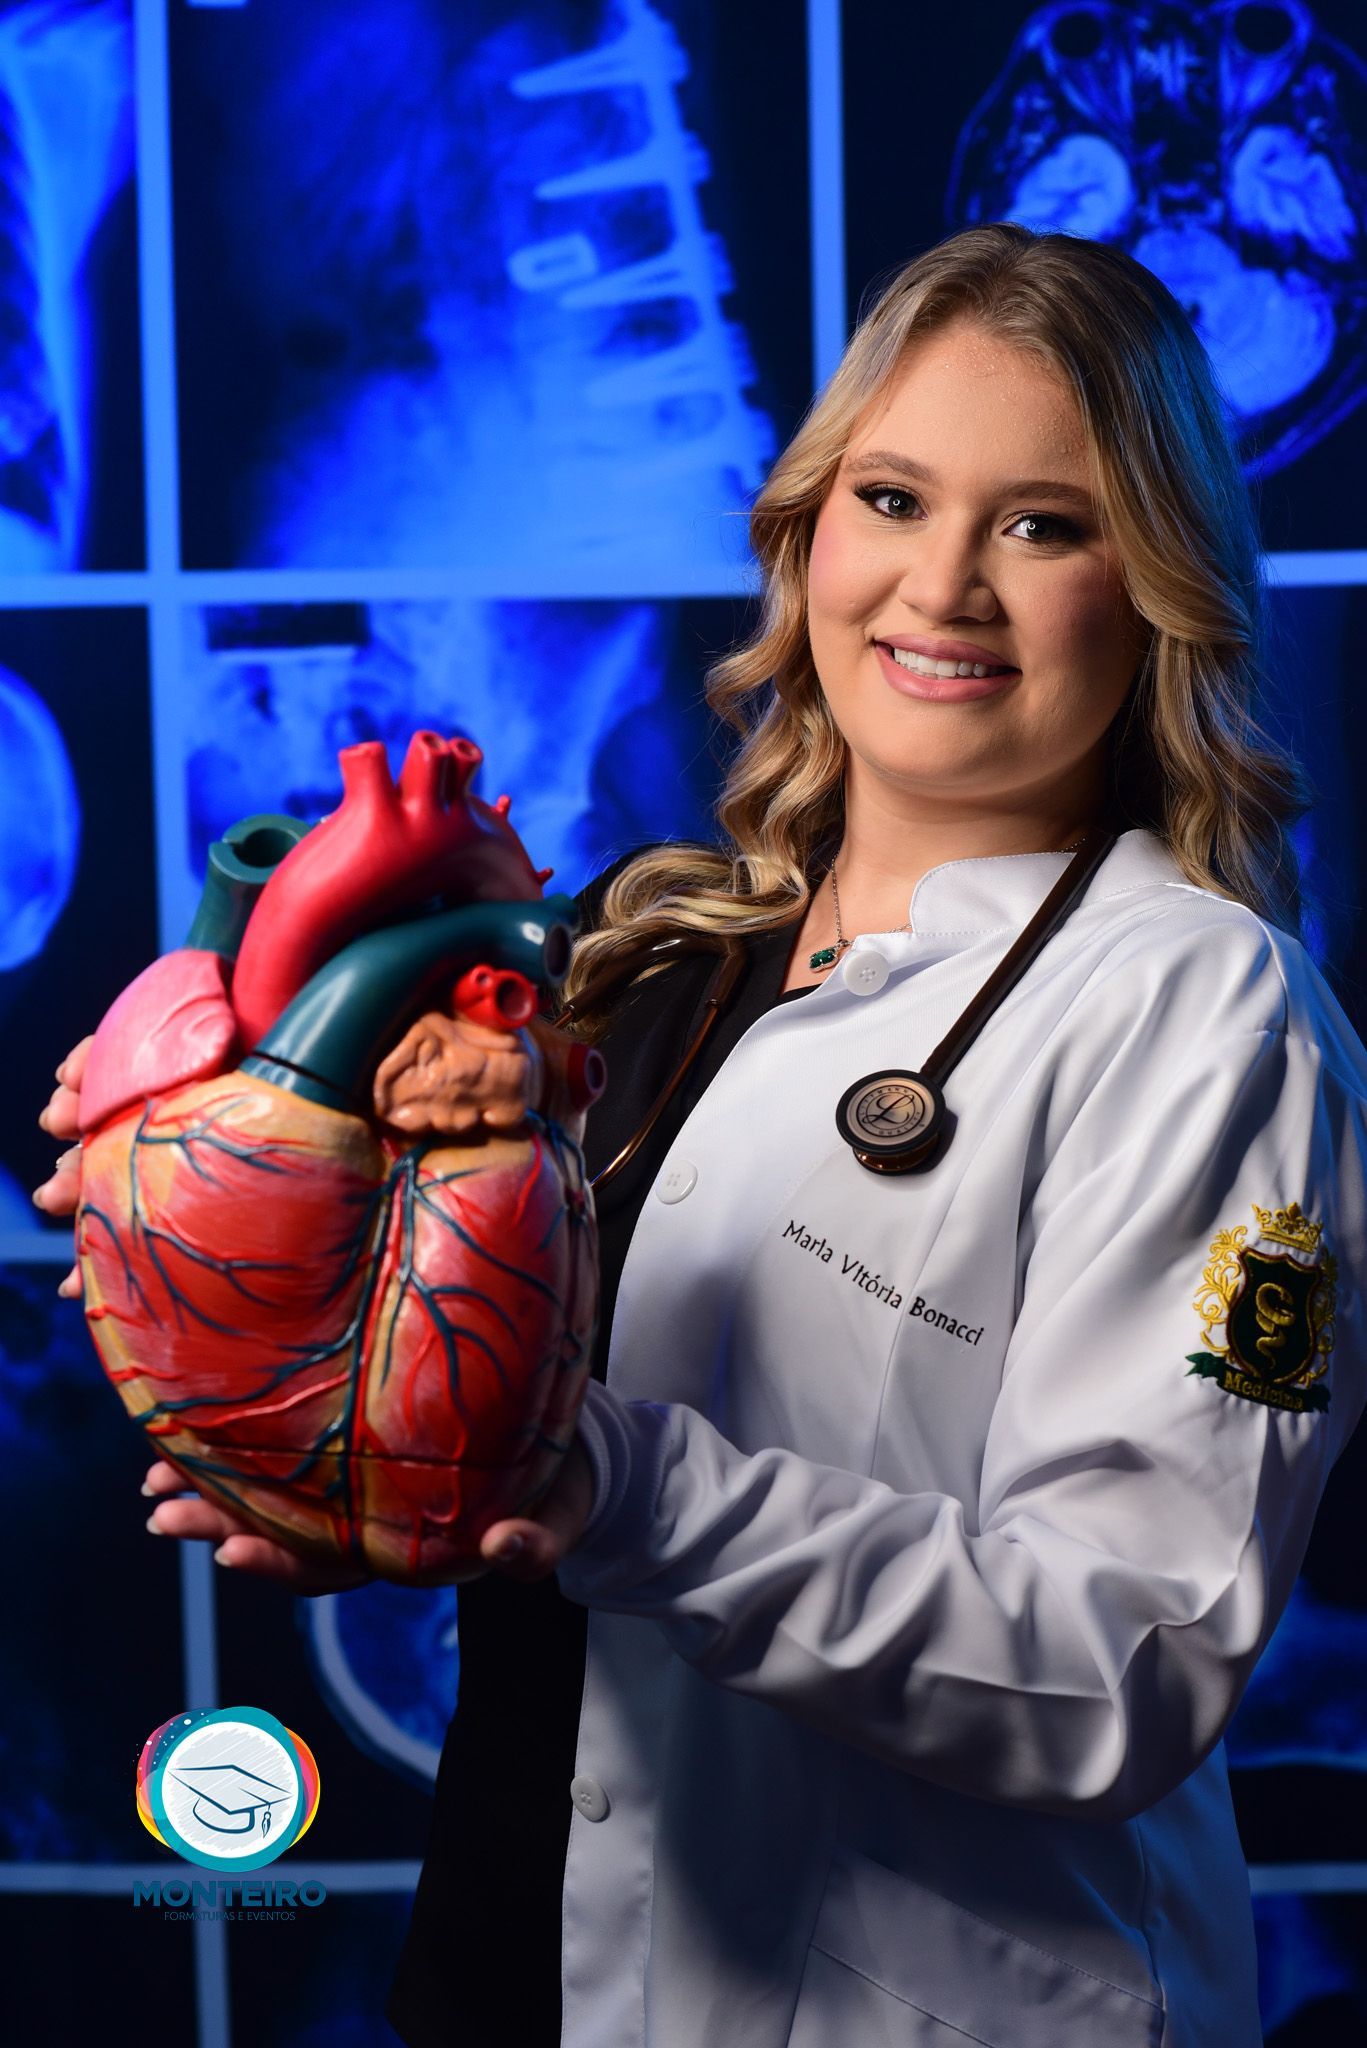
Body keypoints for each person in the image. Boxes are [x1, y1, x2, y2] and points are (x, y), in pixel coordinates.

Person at [37, 224, 1367, 2047]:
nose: (944, 586)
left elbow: (1119, 1654)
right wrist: (340, 1403)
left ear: (1156, 590)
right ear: (811, 531)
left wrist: (594, 1483)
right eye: (893, 499)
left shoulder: (1213, 1016)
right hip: (510, 1967)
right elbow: (461, 1382)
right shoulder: (647, 954)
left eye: (1044, 526)